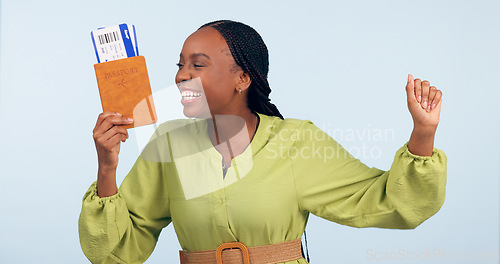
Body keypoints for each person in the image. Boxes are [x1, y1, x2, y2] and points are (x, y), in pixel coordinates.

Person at [79, 20, 447, 264]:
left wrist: (423, 133)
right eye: (180, 65)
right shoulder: (169, 147)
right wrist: (107, 167)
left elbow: (389, 202)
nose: (181, 76)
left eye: (198, 65)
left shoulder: (297, 141)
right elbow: (115, 252)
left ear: (242, 79)